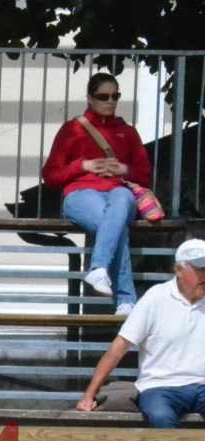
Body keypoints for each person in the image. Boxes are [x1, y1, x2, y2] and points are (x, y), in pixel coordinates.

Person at [76, 240, 205, 441]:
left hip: (201, 384)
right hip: (160, 385)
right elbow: (119, 347)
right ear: (180, 270)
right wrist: (89, 394)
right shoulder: (156, 298)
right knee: (160, 417)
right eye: (200, 269)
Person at [43, 72, 153, 314]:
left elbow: (145, 176)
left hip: (118, 192)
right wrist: (83, 166)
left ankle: (99, 269)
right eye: (104, 96)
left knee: (122, 200)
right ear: (90, 98)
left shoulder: (128, 132)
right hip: (81, 193)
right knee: (115, 226)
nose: (110, 101)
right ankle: (126, 299)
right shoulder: (72, 129)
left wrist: (124, 169)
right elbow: (50, 176)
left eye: (116, 96)